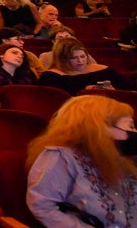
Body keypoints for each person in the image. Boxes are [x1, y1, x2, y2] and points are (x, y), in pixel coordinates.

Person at [26, 95, 137, 227]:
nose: (134, 132)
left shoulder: (123, 160)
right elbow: (42, 206)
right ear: (99, 127)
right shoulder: (61, 157)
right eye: (130, 126)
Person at [37, 37, 133, 94]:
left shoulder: (104, 71)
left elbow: (129, 90)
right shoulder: (51, 77)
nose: (80, 61)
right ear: (63, 59)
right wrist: (84, 93)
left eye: (83, 56)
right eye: (74, 58)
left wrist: (114, 91)